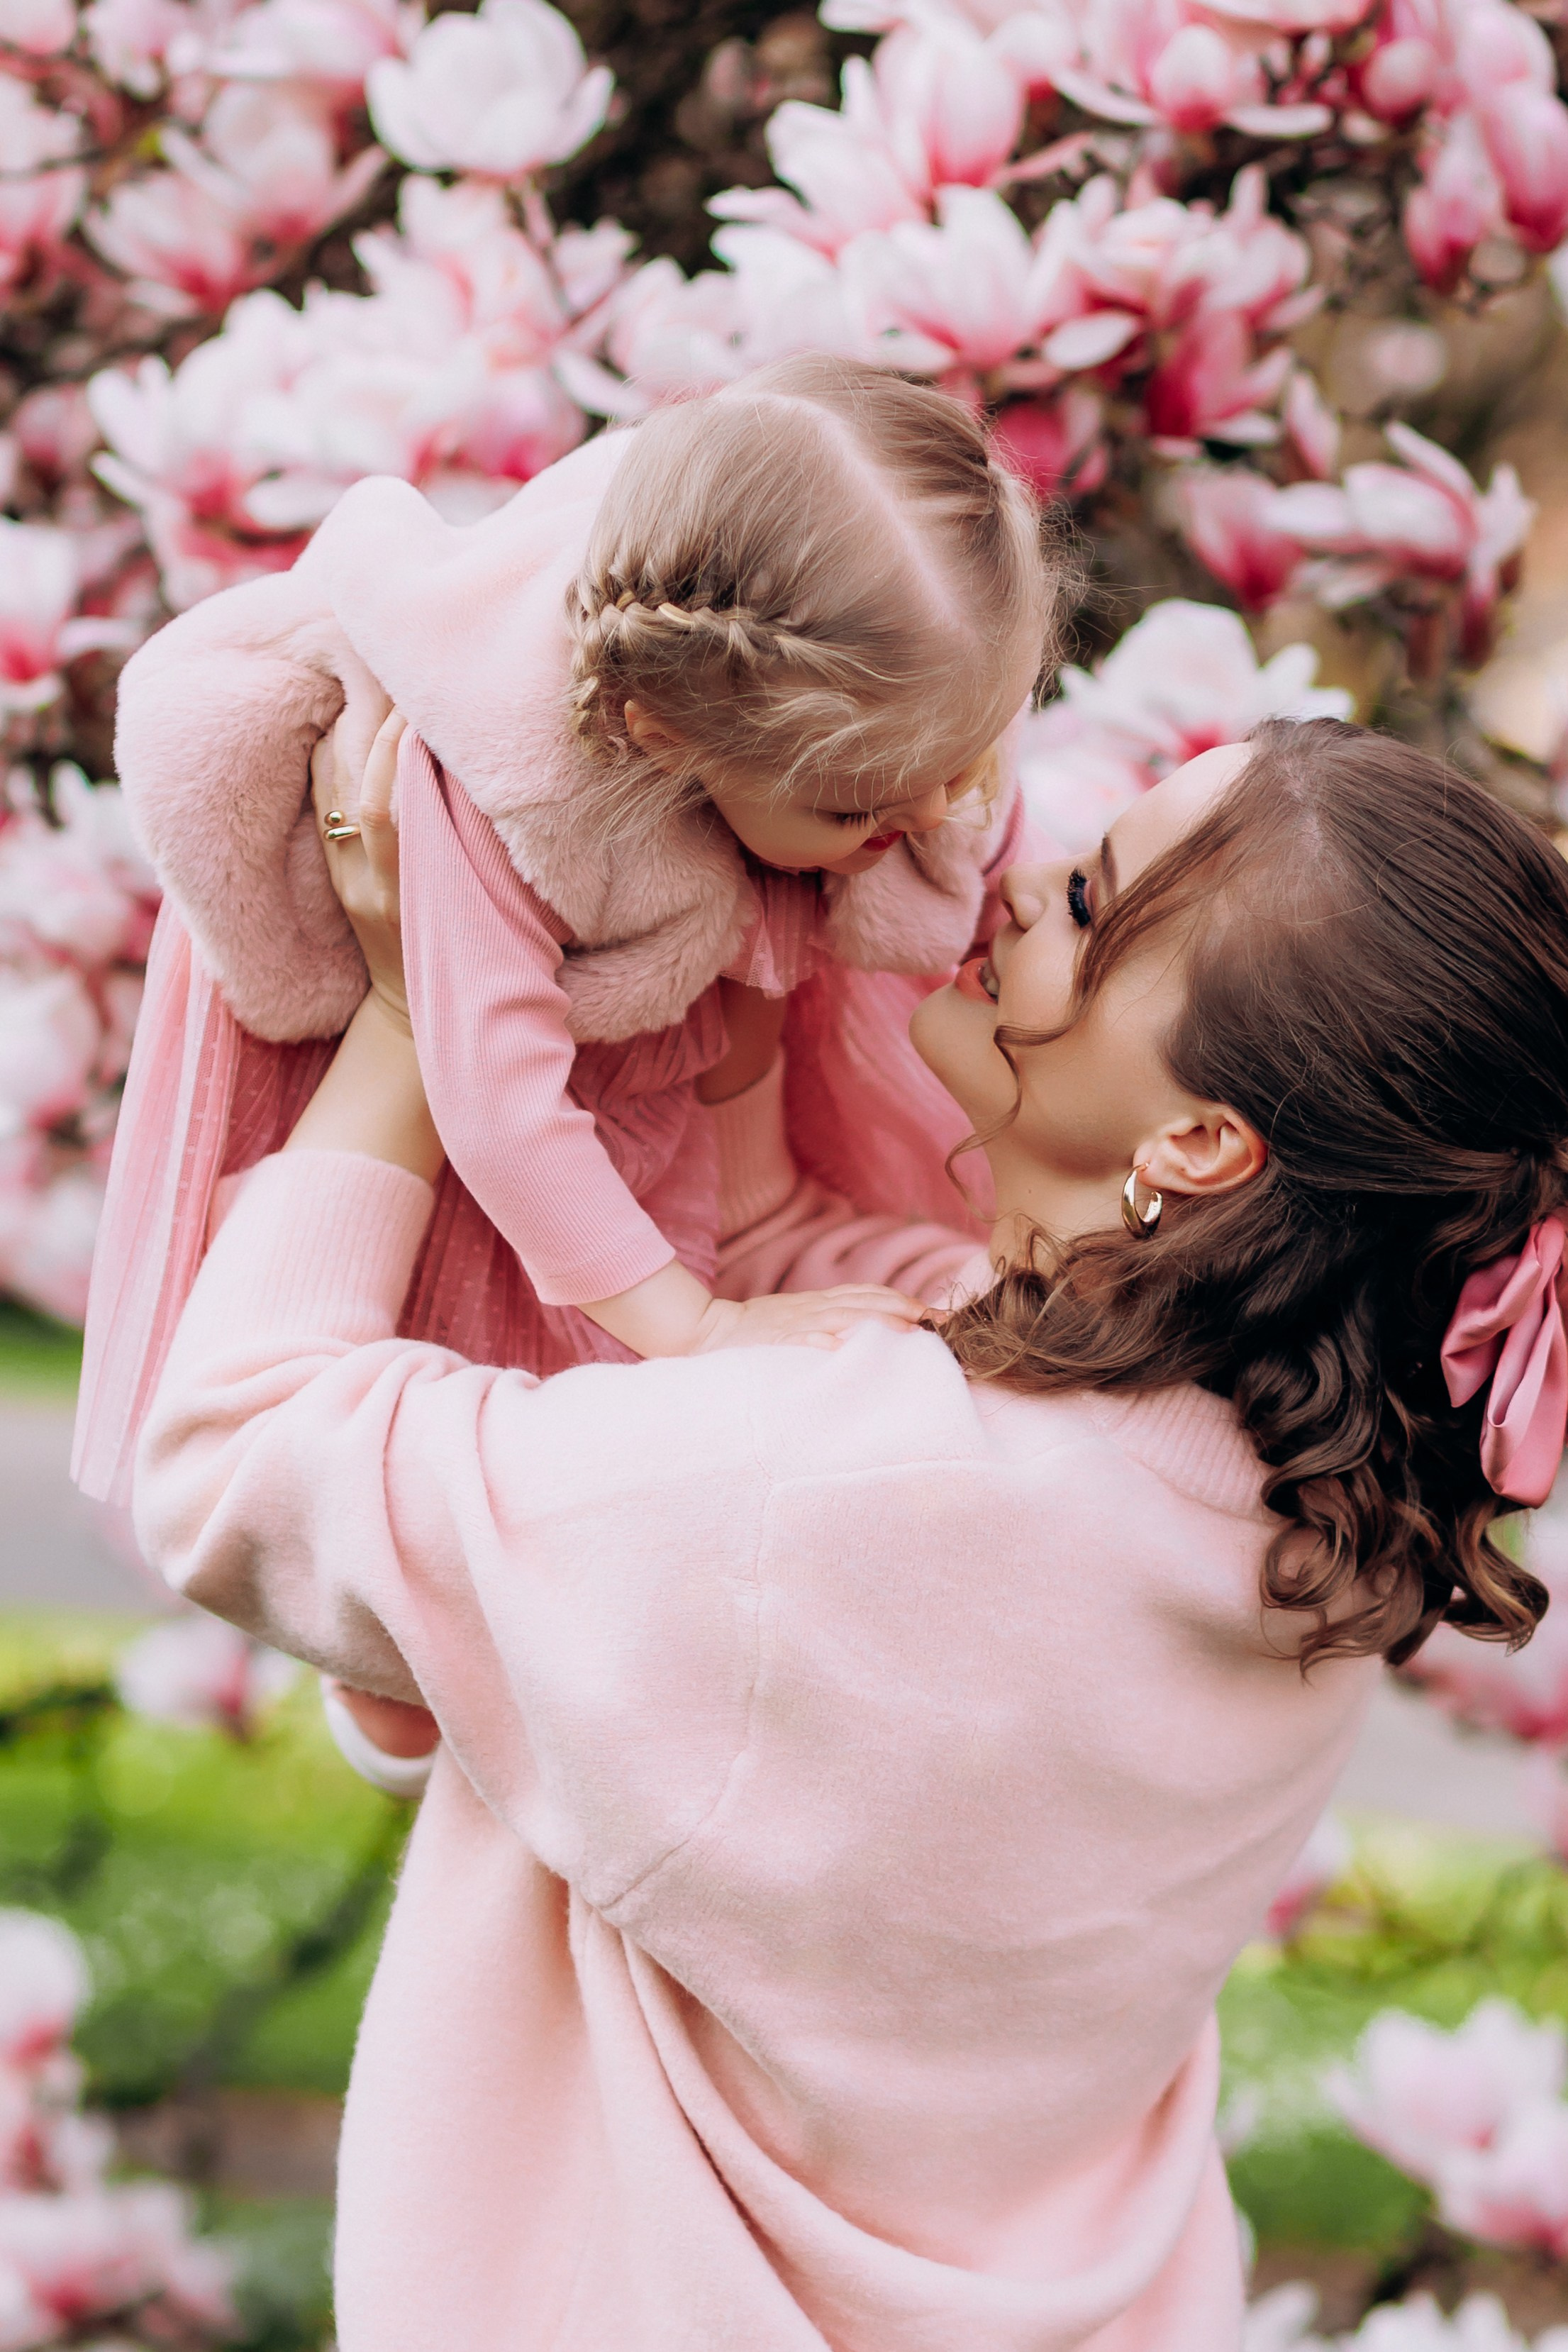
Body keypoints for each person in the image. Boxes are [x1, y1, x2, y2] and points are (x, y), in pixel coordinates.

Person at [133, 716, 1563, 2351]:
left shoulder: (837, 1494)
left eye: (1091, 903)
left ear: (1198, 1143)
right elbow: (808, 1292)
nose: (1026, 878)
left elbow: (236, 1448)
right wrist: (741, 1001)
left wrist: (415, 1009)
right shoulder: (1304, 1515)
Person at [76, 355, 1061, 1782]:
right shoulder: (502, 774)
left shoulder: (864, 659)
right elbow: (496, 1102)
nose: (917, 818)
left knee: (665, 1240)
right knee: (524, 1309)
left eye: (954, 766)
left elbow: (887, 836)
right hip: (482, 1089)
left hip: (667, 1041)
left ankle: (508, 1643)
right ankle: (410, 1639)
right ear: (664, 730)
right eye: (855, 799)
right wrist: (695, 1331)